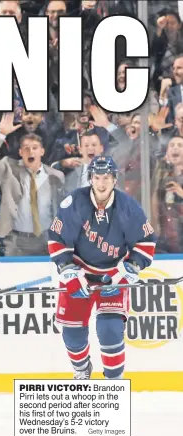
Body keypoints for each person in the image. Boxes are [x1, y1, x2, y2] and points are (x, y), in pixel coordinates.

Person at [47, 156, 156, 380]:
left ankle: (113, 383)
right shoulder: (75, 202)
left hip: (114, 274)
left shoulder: (128, 206)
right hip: (79, 271)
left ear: (114, 179)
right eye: (97, 177)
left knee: (110, 330)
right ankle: (81, 369)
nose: (102, 183)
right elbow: (57, 240)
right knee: (72, 334)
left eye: (106, 177)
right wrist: (69, 273)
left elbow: (146, 243)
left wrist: (130, 269)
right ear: (91, 178)